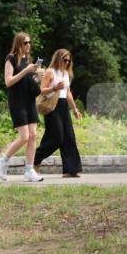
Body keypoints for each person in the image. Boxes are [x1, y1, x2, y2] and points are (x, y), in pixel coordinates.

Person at [0, 32, 44, 182]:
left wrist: (37, 77)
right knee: (24, 137)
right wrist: (26, 70)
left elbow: (27, 83)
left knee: (33, 135)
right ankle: (3, 161)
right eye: (25, 43)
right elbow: (8, 82)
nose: (28, 45)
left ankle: (29, 170)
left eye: (29, 42)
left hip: (29, 101)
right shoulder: (11, 59)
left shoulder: (26, 60)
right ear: (19, 44)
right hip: (17, 102)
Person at [33, 49, 83, 178]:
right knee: (56, 137)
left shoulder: (66, 73)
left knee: (69, 137)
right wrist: (54, 88)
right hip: (52, 106)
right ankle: (34, 159)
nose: (67, 62)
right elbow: (42, 90)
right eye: (64, 60)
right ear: (58, 59)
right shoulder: (50, 72)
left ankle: (71, 170)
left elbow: (68, 93)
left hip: (63, 106)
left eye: (69, 60)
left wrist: (75, 109)